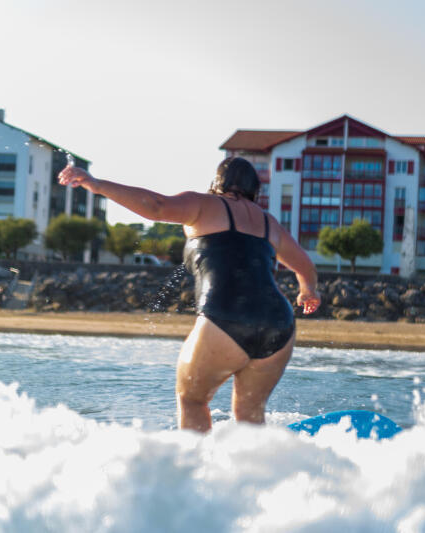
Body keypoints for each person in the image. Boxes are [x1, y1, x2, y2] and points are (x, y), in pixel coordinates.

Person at [58, 157, 320, 432]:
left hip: (225, 316)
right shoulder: (269, 223)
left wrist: (97, 185)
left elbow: (156, 207)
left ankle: (195, 471)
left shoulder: (204, 205)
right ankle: (255, 472)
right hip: (278, 324)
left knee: (192, 400)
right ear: (255, 190)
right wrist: (308, 291)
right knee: (249, 414)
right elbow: (306, 267)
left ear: (217, 183)